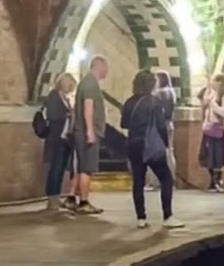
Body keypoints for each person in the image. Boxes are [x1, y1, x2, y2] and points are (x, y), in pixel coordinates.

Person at [120, 69, 184, 229]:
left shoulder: (129, 102)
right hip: (152, 147)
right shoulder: (154, 102)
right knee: (166, 179)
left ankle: (141, 218)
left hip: (134, 145)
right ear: (151, 84)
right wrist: (165, 144)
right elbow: (161, 125)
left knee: (138, 182)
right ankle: (168, 216)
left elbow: (124, 124)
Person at [72, 53, 108, 215]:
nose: (107, 71)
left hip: (82, 131)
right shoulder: (90, 84)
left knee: (82, 166)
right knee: (87, 167)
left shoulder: (86, 82)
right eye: (105, 67)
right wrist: (90, 131)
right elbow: (88, 107)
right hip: (87, 132)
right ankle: (84, 202)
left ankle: (72, 197)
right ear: (98, 66)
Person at [43, 72, 77, 211]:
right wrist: (68, 114)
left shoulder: (65, 98)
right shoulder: (53, 96)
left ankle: (56, 196)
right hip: (56, 138)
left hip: (64, 139)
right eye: (70, 86)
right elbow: (52, 114)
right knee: (55, 169)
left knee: (61, 168)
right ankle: (52, 198)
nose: (71, 89)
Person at [198, 74, 224, 191]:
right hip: (208, 128)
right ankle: (212, 181)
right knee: (208, 156)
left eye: (214, 81)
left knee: (218, 157)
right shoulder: (211, 93)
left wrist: (213, 104)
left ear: (220, 82)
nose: (212, 83)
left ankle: (218, 181)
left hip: (218, 130)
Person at [146, 70, 177, 190]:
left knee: (154, 153)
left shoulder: (157, 94)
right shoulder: (171, 93)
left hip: (157, 126)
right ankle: (169, 179)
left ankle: (155, 181)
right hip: (169, 124)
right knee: (169, 152)